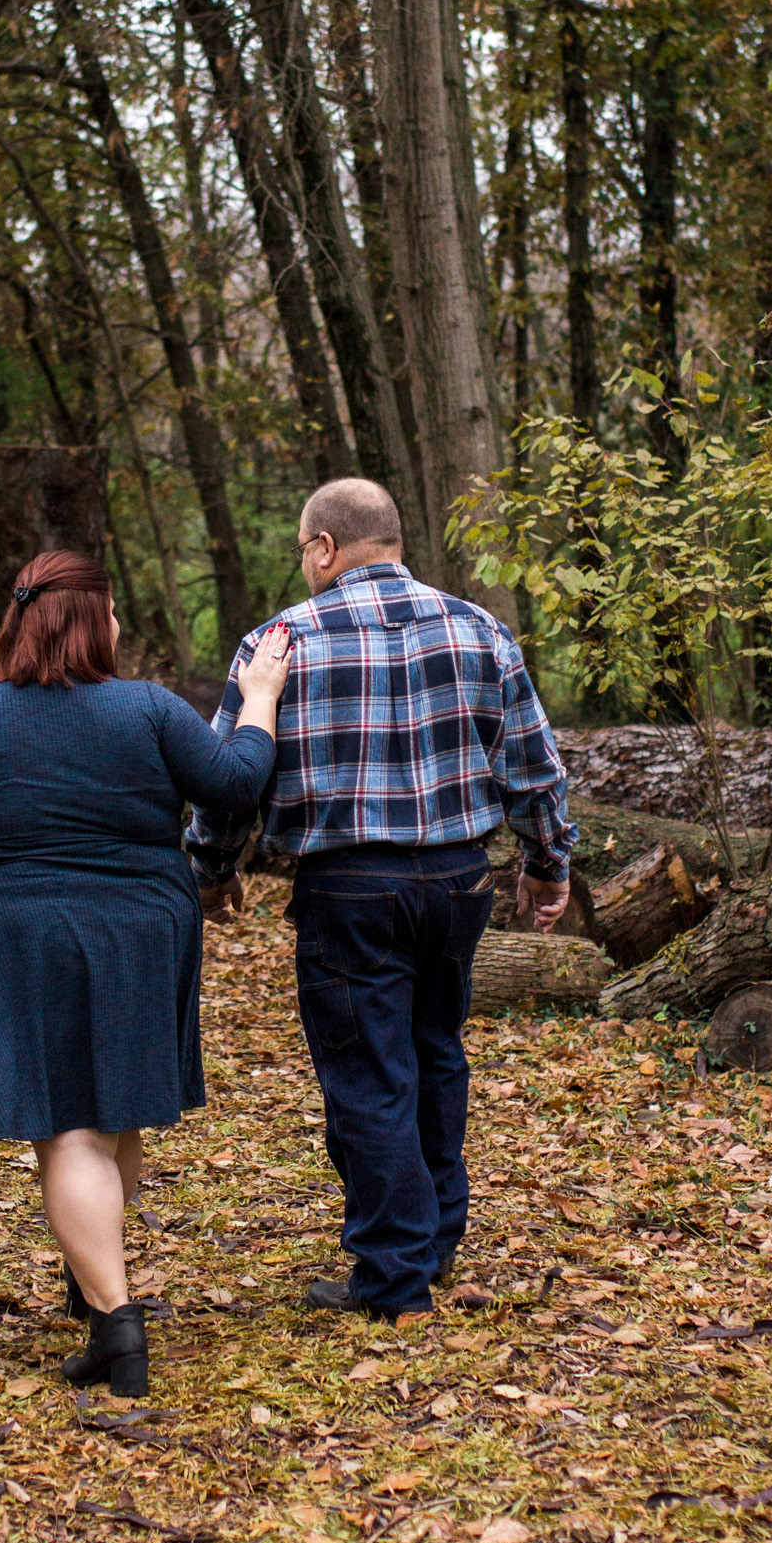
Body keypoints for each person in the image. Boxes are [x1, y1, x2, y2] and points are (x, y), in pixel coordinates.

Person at [0, 550, 292, 1397]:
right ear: (89, 622)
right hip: (142, 929)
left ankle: (114, 1320)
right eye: (111, 613)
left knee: (74, 1123)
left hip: (19, 933)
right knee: (109, 1110)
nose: (119, 627)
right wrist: (259, 700)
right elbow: (233, 782)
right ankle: (96, 1286)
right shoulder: (146, 708)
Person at [185, 479, 573, 1323]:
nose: (304, 564)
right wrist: (547, 862)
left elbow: (224, 786)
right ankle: (431, 1243)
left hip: (350, 886)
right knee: (435, 1051)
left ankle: (394, 1280)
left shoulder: (276, 643)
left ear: (324, 546)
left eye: (303, 550)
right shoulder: (479, 629)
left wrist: (213, 873)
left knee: (368, 1075)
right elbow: (534, 767)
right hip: (458, 880)